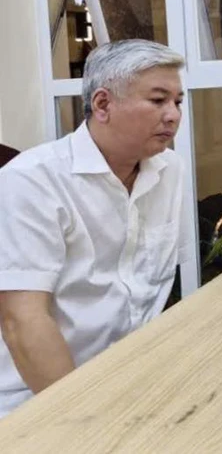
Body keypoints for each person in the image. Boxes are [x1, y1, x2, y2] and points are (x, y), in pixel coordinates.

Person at [0, 39, 192, 418]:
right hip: (43, 395)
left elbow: (158, 288)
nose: (172, 115)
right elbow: (22, 320)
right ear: (103, 104)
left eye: (177, 101)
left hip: (134, 379)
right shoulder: (30, 181)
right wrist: (83, 420)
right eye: (158, 100)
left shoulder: (170, 170)